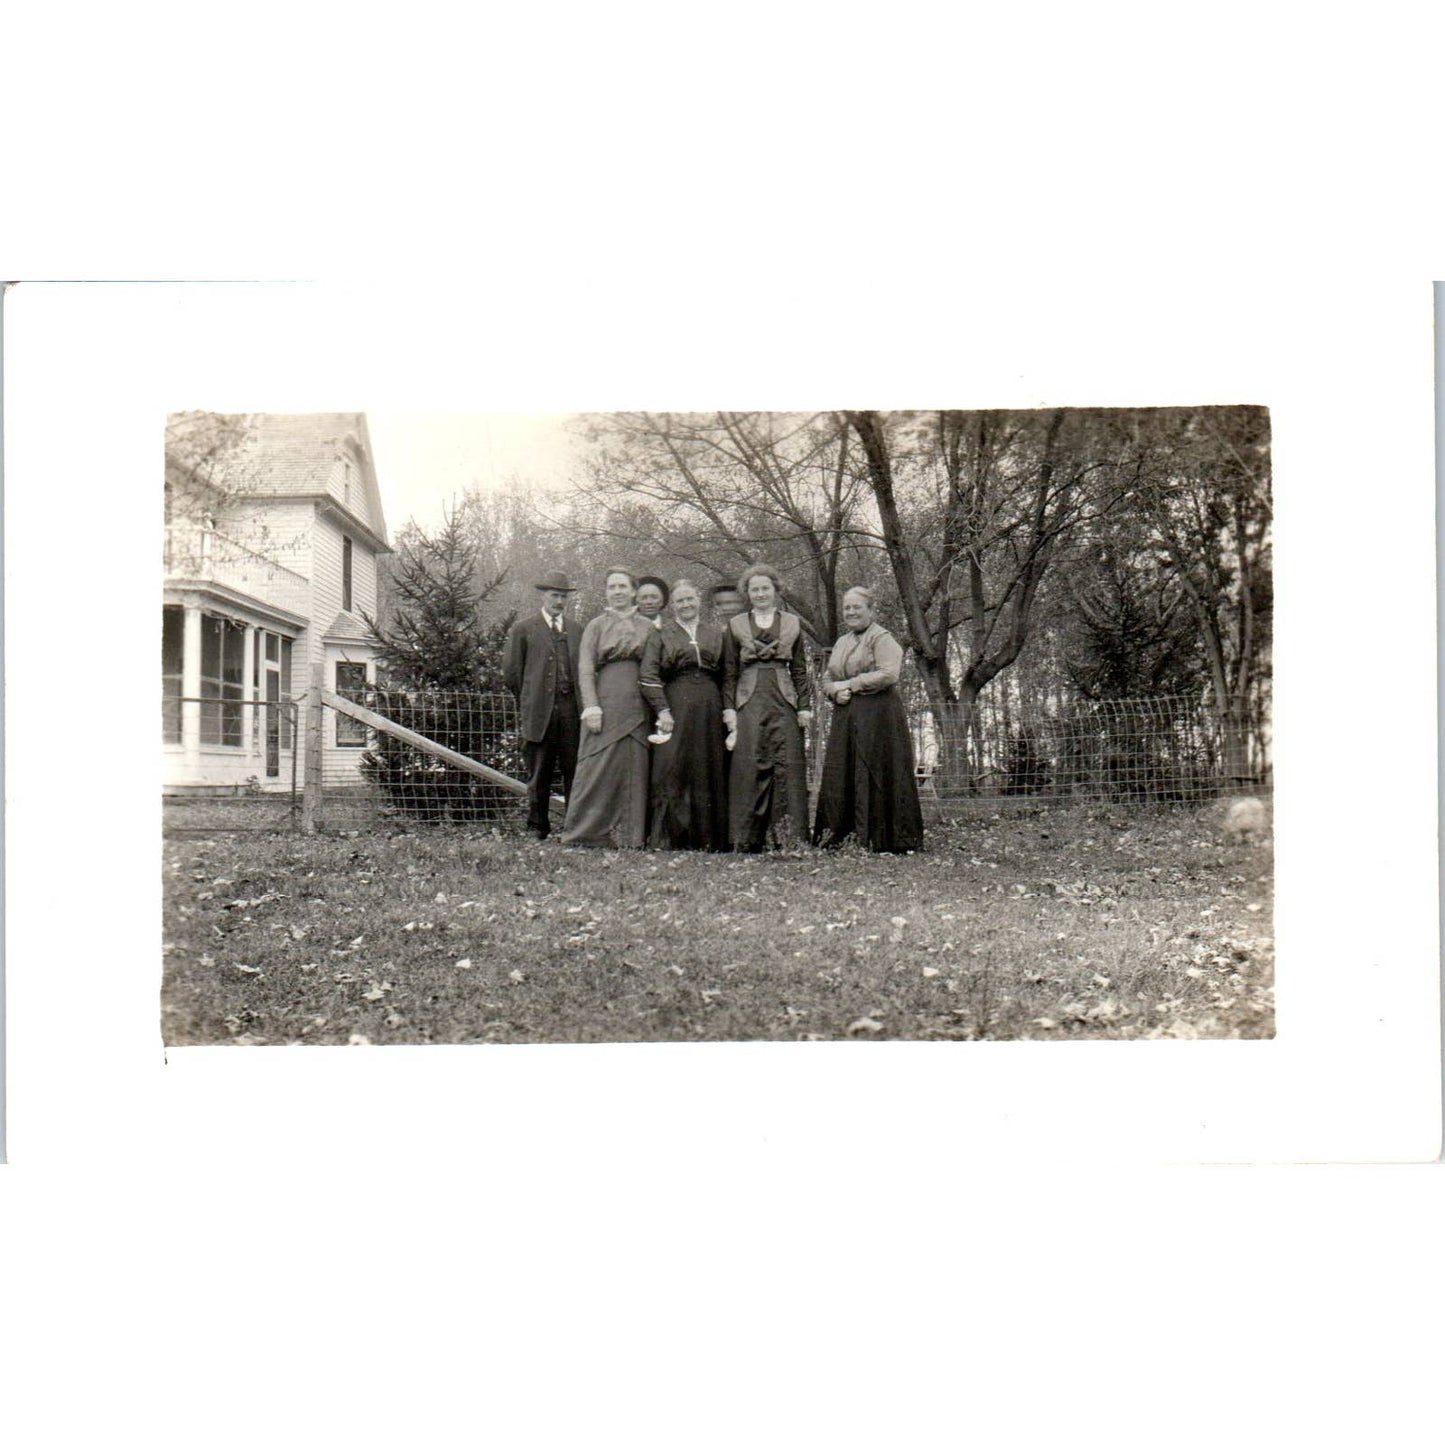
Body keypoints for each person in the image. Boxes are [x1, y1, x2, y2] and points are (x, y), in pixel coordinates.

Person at [813, 586, 924, 854]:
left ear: (871, 611)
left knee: (875, 770)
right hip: (846, 715)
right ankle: (841, 835)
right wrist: (833, 692)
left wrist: (851, 684)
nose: (851, 612)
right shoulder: (842, 641)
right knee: (844, 770)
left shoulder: (882, 638)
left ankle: (884, 837)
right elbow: (827, 676)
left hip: (878, 716)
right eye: (847, 608)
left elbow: (888, 674)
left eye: (857, 607)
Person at [559, 568, 654, 848]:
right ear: (606, 592)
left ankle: (631, 835)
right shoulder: (596, 625)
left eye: (623, 586)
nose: (617, 591)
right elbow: (585, 669)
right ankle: (587, 832)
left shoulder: (648, 627)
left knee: (634, 764)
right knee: (597, 764)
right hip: (606, 699)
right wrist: (591, 707)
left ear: (633, 590)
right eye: (612, 587)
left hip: (638, 701)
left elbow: (654, 668)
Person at [722, 563, 814, 851]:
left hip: (783, 695)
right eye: (754, 589)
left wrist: (804, 706)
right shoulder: (736, 625)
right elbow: (729, 672)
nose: (760, 594)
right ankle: (746, 839)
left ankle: (789, 838)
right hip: (748, 697)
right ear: (747, 593)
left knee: (785, 764)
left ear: (776, 591)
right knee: (749, 764)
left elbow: (800, 669)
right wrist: (728, 709)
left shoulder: (792, 623)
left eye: (765, 588)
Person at [639, 578, 729, 851]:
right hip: (676, 703)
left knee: (708, 764)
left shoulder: (715, 634)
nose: (686, 604)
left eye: (690, 599)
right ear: (673, 605)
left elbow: (728, 675)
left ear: (699, 600)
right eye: (680, 600)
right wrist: (662, 709)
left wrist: (728, 710)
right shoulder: (661, 634)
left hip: (710, 705)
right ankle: (670, 838)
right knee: (672, 764)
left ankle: (710, 838)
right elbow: (648, 675)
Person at [503, 569, 583, 839]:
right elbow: (513, 673)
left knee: (575, 771)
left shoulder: (576, 630)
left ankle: (575, 829)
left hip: (572, 711)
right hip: (539, 712)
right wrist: (530, 702)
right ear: (543, 596)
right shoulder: (524, 628)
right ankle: (537, 827)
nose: (559, 601)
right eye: (554, 595)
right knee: (539, 772)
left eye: (563, 596)